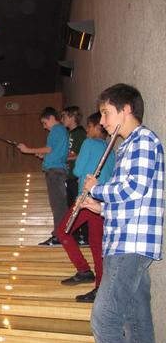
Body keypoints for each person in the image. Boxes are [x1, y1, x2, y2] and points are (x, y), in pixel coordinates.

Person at [70, 84, 164, 343]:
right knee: (138, 323)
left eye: (106, 113)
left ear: (126, 110)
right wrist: (98, 207)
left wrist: (95, 188)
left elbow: (132, 189)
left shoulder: (142, 141)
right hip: (130, 242)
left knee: (105, 320)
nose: (103, 121)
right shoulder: (129, 146)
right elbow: (133, 202)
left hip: (129, 247)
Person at [55, 113, 115, 303]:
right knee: (97, 245)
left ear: (97, 127)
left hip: (86, 200)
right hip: (101, 201)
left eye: (89, 126)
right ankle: (100, 286)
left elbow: (77, 170)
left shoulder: (89, 144)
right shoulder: (110, 148)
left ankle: (83, 270)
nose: (87, 130)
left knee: (62, 231)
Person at [18, 107, 69, 245]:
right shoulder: (62, 130)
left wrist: (27, 150)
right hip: (57, 170)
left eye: (44, 123)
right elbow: (54, 152)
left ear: (51, 118)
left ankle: (59, 236)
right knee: (58, 204)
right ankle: (61, 234)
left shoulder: (56, 129)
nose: (44, 127)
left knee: (58, 205)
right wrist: (44, 156)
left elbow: (49, 149)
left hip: (55, 172)